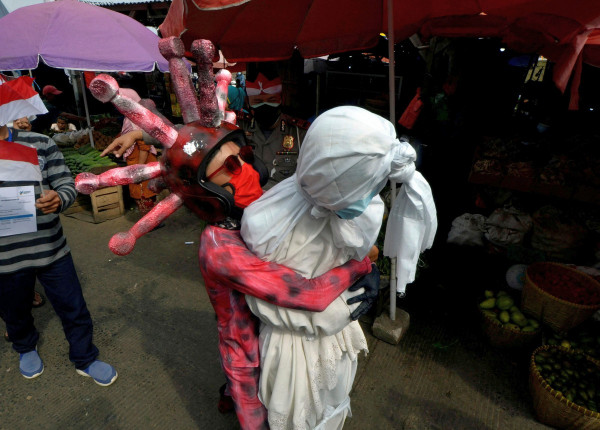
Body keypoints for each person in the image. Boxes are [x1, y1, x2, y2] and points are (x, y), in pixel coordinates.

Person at [98, 121, 378, 430]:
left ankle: (226, 395)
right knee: (254, 414)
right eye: (231, 167)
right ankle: (234, 397)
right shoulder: (220, 248)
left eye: (243, 157)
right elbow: (306, 293)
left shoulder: (249, 210)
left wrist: (141, 133)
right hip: (246, 352)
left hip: (267, 328)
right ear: (204, 191)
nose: (247, 171)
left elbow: (185, 137)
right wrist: (361, 267)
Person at [240, 106, 438, 429]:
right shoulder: (267, 225)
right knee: (299, 415)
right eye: (367, 189)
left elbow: (363, 251)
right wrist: (343, 299)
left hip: (332, 340)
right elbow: (264, 298)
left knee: (329, 404)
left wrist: (365, 268)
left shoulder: (355, 210)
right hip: (295, 348)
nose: (369, 200)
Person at [0, 121, 117, 386]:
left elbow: (66, 183)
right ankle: (25, 346)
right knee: (13, 311)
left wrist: (59, 198)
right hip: (5, 258)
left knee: (73, 307)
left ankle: (85, 357)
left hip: (51, 249)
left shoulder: (40, 143)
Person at [237, 67, 310, 190]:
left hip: (284, 199)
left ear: (282, 99)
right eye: (258, 101)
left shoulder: (299, 133)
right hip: (247, 197)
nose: (265, 106)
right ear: (248, 103)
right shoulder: (239, 129)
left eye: (271, 100)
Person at [116, 89, 160, 217]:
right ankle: (151, 220)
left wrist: (139, 169)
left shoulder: (136, 120)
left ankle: (151, 221)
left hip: (141, 163)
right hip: (137, 162)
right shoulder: (130, 118)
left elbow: (144, 146)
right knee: (144, 193)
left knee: (144, 193)